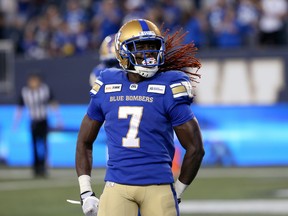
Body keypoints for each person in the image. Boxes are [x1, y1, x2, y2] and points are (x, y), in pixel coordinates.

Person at [75, 19, 205, 216]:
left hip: (158, 186)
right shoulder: (107, 82)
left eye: (152, 47)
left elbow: (195, 148)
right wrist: (86, 192)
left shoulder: (169, 85)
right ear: (122, 52)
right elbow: (84, 141)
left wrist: (177, 192)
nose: (148, 55)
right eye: (140, 48)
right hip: (116, 186)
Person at [14, 73, 61, 177]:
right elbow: (20, 108)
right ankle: (36, 168)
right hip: (33, 121)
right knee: (34, 145)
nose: (34, 83)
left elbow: (53, 103)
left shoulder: (44, 89)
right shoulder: (25, 92)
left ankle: (44, 167)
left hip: (43, 121)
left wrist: (58, 118)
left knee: (44, 145)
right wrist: (16, 123)